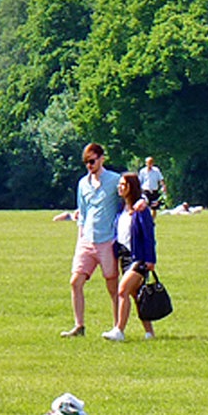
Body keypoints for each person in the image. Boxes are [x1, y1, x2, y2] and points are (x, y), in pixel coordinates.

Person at [63, 142, 123, 337]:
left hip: (107, 241)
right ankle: (79, 326)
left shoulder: (114, 180)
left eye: (92, 161)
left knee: (112, 285)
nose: (89, 165)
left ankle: (117, 327)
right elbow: (82, 212)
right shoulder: (82, 183)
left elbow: (127, 199)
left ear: (101, 159)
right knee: (75, 281)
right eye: (86, 162)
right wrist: (80, 239)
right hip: (86, 240)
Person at [104, 172, 158, 341]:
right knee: (136, 295)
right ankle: (149, 332)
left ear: (131, 187)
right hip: (125, 258)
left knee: (123, 290)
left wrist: (151, 260)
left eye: (124, 185)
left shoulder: (141, 211)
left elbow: (149, 236)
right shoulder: (122, 209)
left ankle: (119, 330)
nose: (120, 187)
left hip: (139, 258)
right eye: (119, 184)